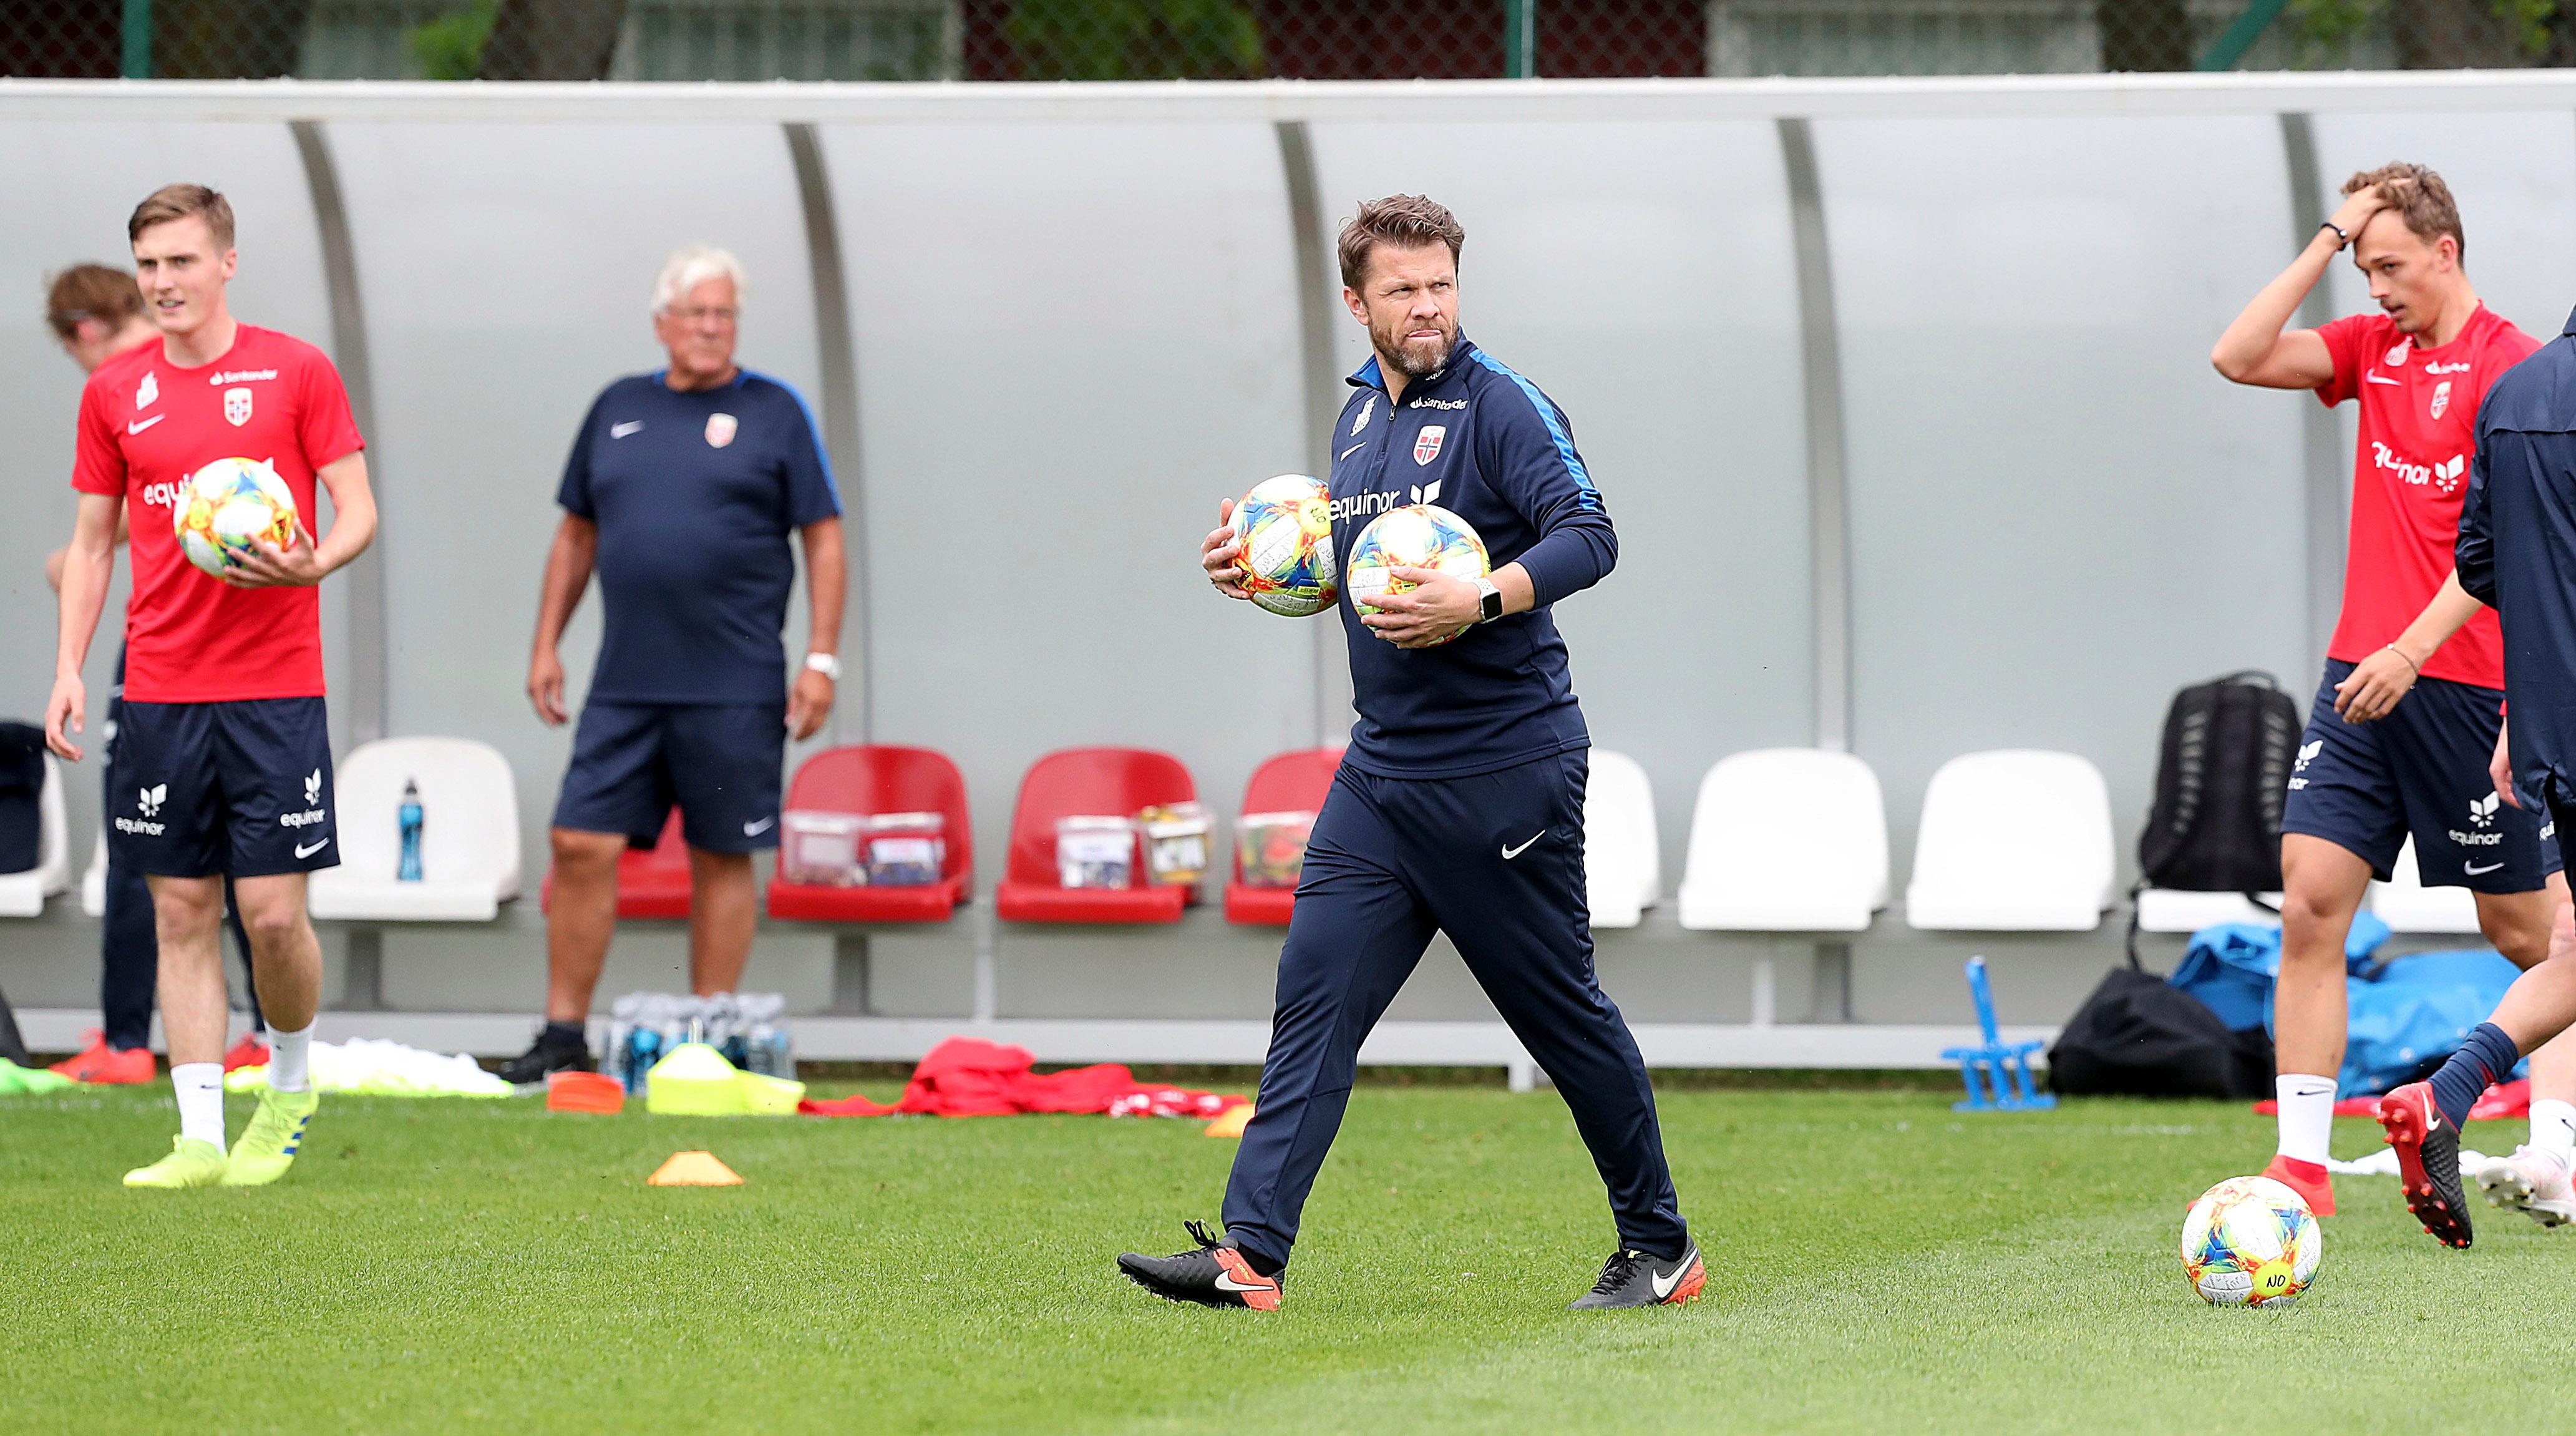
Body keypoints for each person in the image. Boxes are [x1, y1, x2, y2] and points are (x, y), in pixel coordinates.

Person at [1119, 195, 1699, 1311]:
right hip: (1381, 777)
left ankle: (1659, 1244)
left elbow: (1591, 535)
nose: (1427, 306)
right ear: (1357, 303)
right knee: (1314, 996)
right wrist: (1261, 568)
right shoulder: (1353, 426)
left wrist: (1478, 595)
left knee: (1559, 1016)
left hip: (1504, 775)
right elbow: (1360, 567)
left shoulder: (1503, 407)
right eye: (1402, 290)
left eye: (1440, 285)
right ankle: (1249, 1255)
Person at [2210, 162, 2572, 1219]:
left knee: (2534, 934)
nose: (2374, 290)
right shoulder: (2370, 350)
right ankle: (2302, 1167)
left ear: (2446, 252)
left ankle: (2552, 1142)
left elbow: (2502, 557)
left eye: (2390, 266)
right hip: (2357, 680)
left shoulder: (2516, 371)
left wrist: (2439, 661)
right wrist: (2328, 235)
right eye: (2363, 269)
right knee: (2312, 902)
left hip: (2468, 686)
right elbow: (2235, 355)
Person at [47, 183, 377, 1188]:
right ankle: (196, 1136)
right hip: (158, 689)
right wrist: (68, 664)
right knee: (180, 910)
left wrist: (318, 562)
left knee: (272, 915)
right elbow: (94, 546)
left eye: (182, 261)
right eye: (150, 265)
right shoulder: (114, 392)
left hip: (275, 687)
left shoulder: (295, 370)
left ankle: (289, 1081)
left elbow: (357, 507)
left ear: (226, 262)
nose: (164, 282)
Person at [497, 245, 845, 1085]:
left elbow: (823, 536)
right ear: (663, 324)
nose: (711, 328)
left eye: (724, 314)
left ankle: (706, 1038)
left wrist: (821, 659)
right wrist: (546, 642)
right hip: (625, 680)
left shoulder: (775, 411)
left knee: (722, 852)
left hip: (734, 680)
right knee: (579, 839)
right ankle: (563, 1034)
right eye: (696, 313)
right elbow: (575, 532)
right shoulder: (616, 406)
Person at [39, 263, 266, 1086]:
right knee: (239, 848)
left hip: (173, 644)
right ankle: (266, 1036)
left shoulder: (129, 380)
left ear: (84, 329)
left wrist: (79, 554)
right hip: (240, 646)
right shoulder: (203, 363)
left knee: (146, 844)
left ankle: (130, 1039)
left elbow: (179, 487)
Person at [2382, 301, 2576, 1247]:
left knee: (2573, 946)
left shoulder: (2510, 393)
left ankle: (2446, 1090)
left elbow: (2485, 565)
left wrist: (2519, 707)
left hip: (2554, 729)